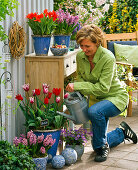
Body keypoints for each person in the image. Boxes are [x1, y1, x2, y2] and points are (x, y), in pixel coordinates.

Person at [65, 24, 137, 162]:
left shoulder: (107, 57)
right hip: (96, 101)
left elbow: (103, 88)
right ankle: (121, 132)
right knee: (96, 143)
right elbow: (81, 79)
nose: (84, 49)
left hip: (115, 97)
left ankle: (102, 147)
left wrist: (78, 85)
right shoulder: (81, 56)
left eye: (87, 46)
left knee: (94, 112)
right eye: (82, 46)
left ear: (97, 43)